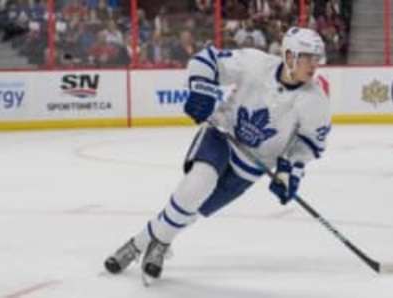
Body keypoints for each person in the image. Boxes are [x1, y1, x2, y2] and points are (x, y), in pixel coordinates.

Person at [104, 27, 332, 284]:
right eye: (308, 57)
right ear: (289, 56)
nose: (314, 65)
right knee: (196, 186)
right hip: (222, 135)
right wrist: (201, 90)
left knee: (193, 213)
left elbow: (308, 144)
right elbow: (206, 60)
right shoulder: (255, 64)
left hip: (251, 168)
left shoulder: (316, 101)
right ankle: (145, 247)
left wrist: (289, 171)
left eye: (317, 58)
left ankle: (145, 241)